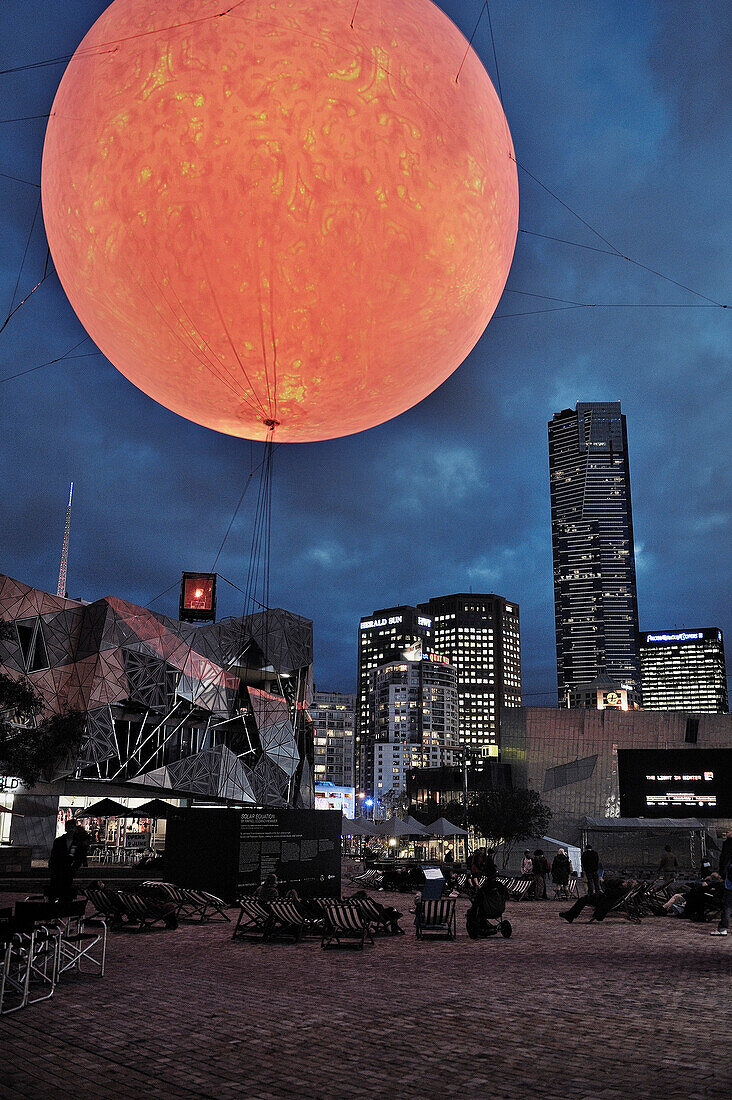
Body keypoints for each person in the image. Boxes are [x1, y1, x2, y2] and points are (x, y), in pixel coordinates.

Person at [559, 874, 633, 923]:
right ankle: (570, 915)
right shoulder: (621, 888)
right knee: (583, 899)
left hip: (603, 901)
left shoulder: (621, 890)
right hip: (603, 899)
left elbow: (609, 892)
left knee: (583, 900)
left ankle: (570, 915)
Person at [48, 819, 78, 905]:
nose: (71, 830)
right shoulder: (59, 841)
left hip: (69, 870)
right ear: (66, 829)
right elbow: (54, 855)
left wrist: (74, 867)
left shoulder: (77, 842)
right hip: (58, 869)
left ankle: (64, 906)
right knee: (54, 891)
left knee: (66, 893)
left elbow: (79, 856)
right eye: (69, 828)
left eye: (72, 828)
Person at [711, 830, 732, 937]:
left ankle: (723, 928)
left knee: (727, 905)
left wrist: (722, 875)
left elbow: (725, 860)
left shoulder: (729, 844)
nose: (727, 832)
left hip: (731, 879)